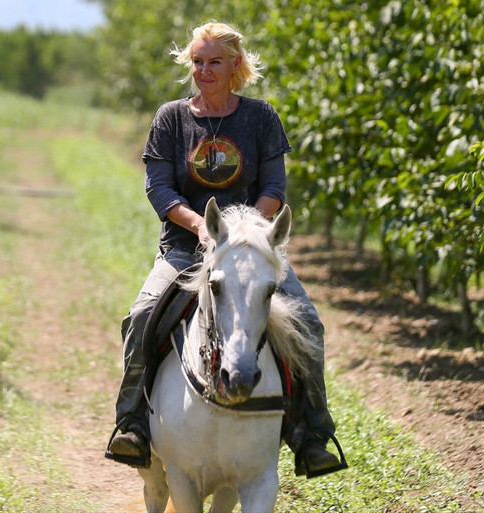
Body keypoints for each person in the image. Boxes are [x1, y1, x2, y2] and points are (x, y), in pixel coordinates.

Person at [105, 21, 342, 477]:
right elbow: (158, 188)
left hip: (251, 249)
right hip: (185, 248)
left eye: (215, 61)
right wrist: (200, 226)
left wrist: (247, 230)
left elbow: (274, 186)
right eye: (197, 61)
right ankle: (132, 422)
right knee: (141, 315)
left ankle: (313, 432)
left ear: (236, 64)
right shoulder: (171, 118)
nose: (204, 70)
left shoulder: (260, 117)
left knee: (308, 322)